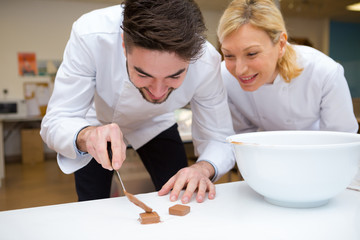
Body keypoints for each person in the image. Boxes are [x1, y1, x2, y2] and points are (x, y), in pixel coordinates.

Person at [40, 0, 235, 204]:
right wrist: (87, 135)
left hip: (157, 121)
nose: (158, 92)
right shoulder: (91, 34)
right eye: (143, 74)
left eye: (174, 76)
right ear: (124, 44)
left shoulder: (206, 60)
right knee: (92, 203)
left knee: (181, 194)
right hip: (96, 122)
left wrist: (202, 168)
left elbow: (219, 138)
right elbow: (56, 119)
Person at [217, 0, 358, 134]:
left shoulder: (324, 73)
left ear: (281, 44)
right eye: (229, 56)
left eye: (252, 54)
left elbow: (341, 141)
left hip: (318, 155)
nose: (239, 70)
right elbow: (241, 137)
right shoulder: (224, 77)